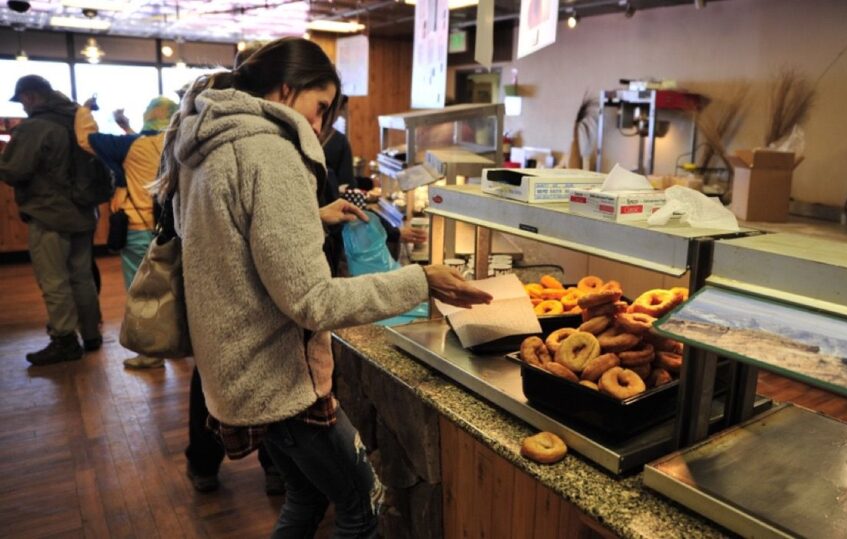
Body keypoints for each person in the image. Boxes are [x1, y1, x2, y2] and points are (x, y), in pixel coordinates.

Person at [155, 37, 492, 537]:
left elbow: (230, 242)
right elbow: (312, 300)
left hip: (234, 368)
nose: (318, 127)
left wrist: (312, 217)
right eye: (318, 109)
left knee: (306, 498)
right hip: (280, 378)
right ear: (287, 89)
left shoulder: (208, 138)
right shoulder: (269, 151)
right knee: (362, 506)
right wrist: (421, 280)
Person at [0, 75, 102, 366]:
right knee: (82, 276)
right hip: (84, 211)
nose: (23, 107)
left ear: (31, 97)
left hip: (49, 214)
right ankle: (91, 335)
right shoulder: (77, 119)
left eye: (21, 101)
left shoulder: (34, 127)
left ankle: (64, 340)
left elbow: (13, 171)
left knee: (54, 280)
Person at [75, 96, 178, 369]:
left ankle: (151, 352)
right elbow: (146, 143)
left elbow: (87, 139)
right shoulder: (175, 142)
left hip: (136, 228)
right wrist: (126, 126)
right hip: (172, 229)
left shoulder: (129, 145)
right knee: (175, 289)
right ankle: (179, 346)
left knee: (141, 293)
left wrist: (85, 110)